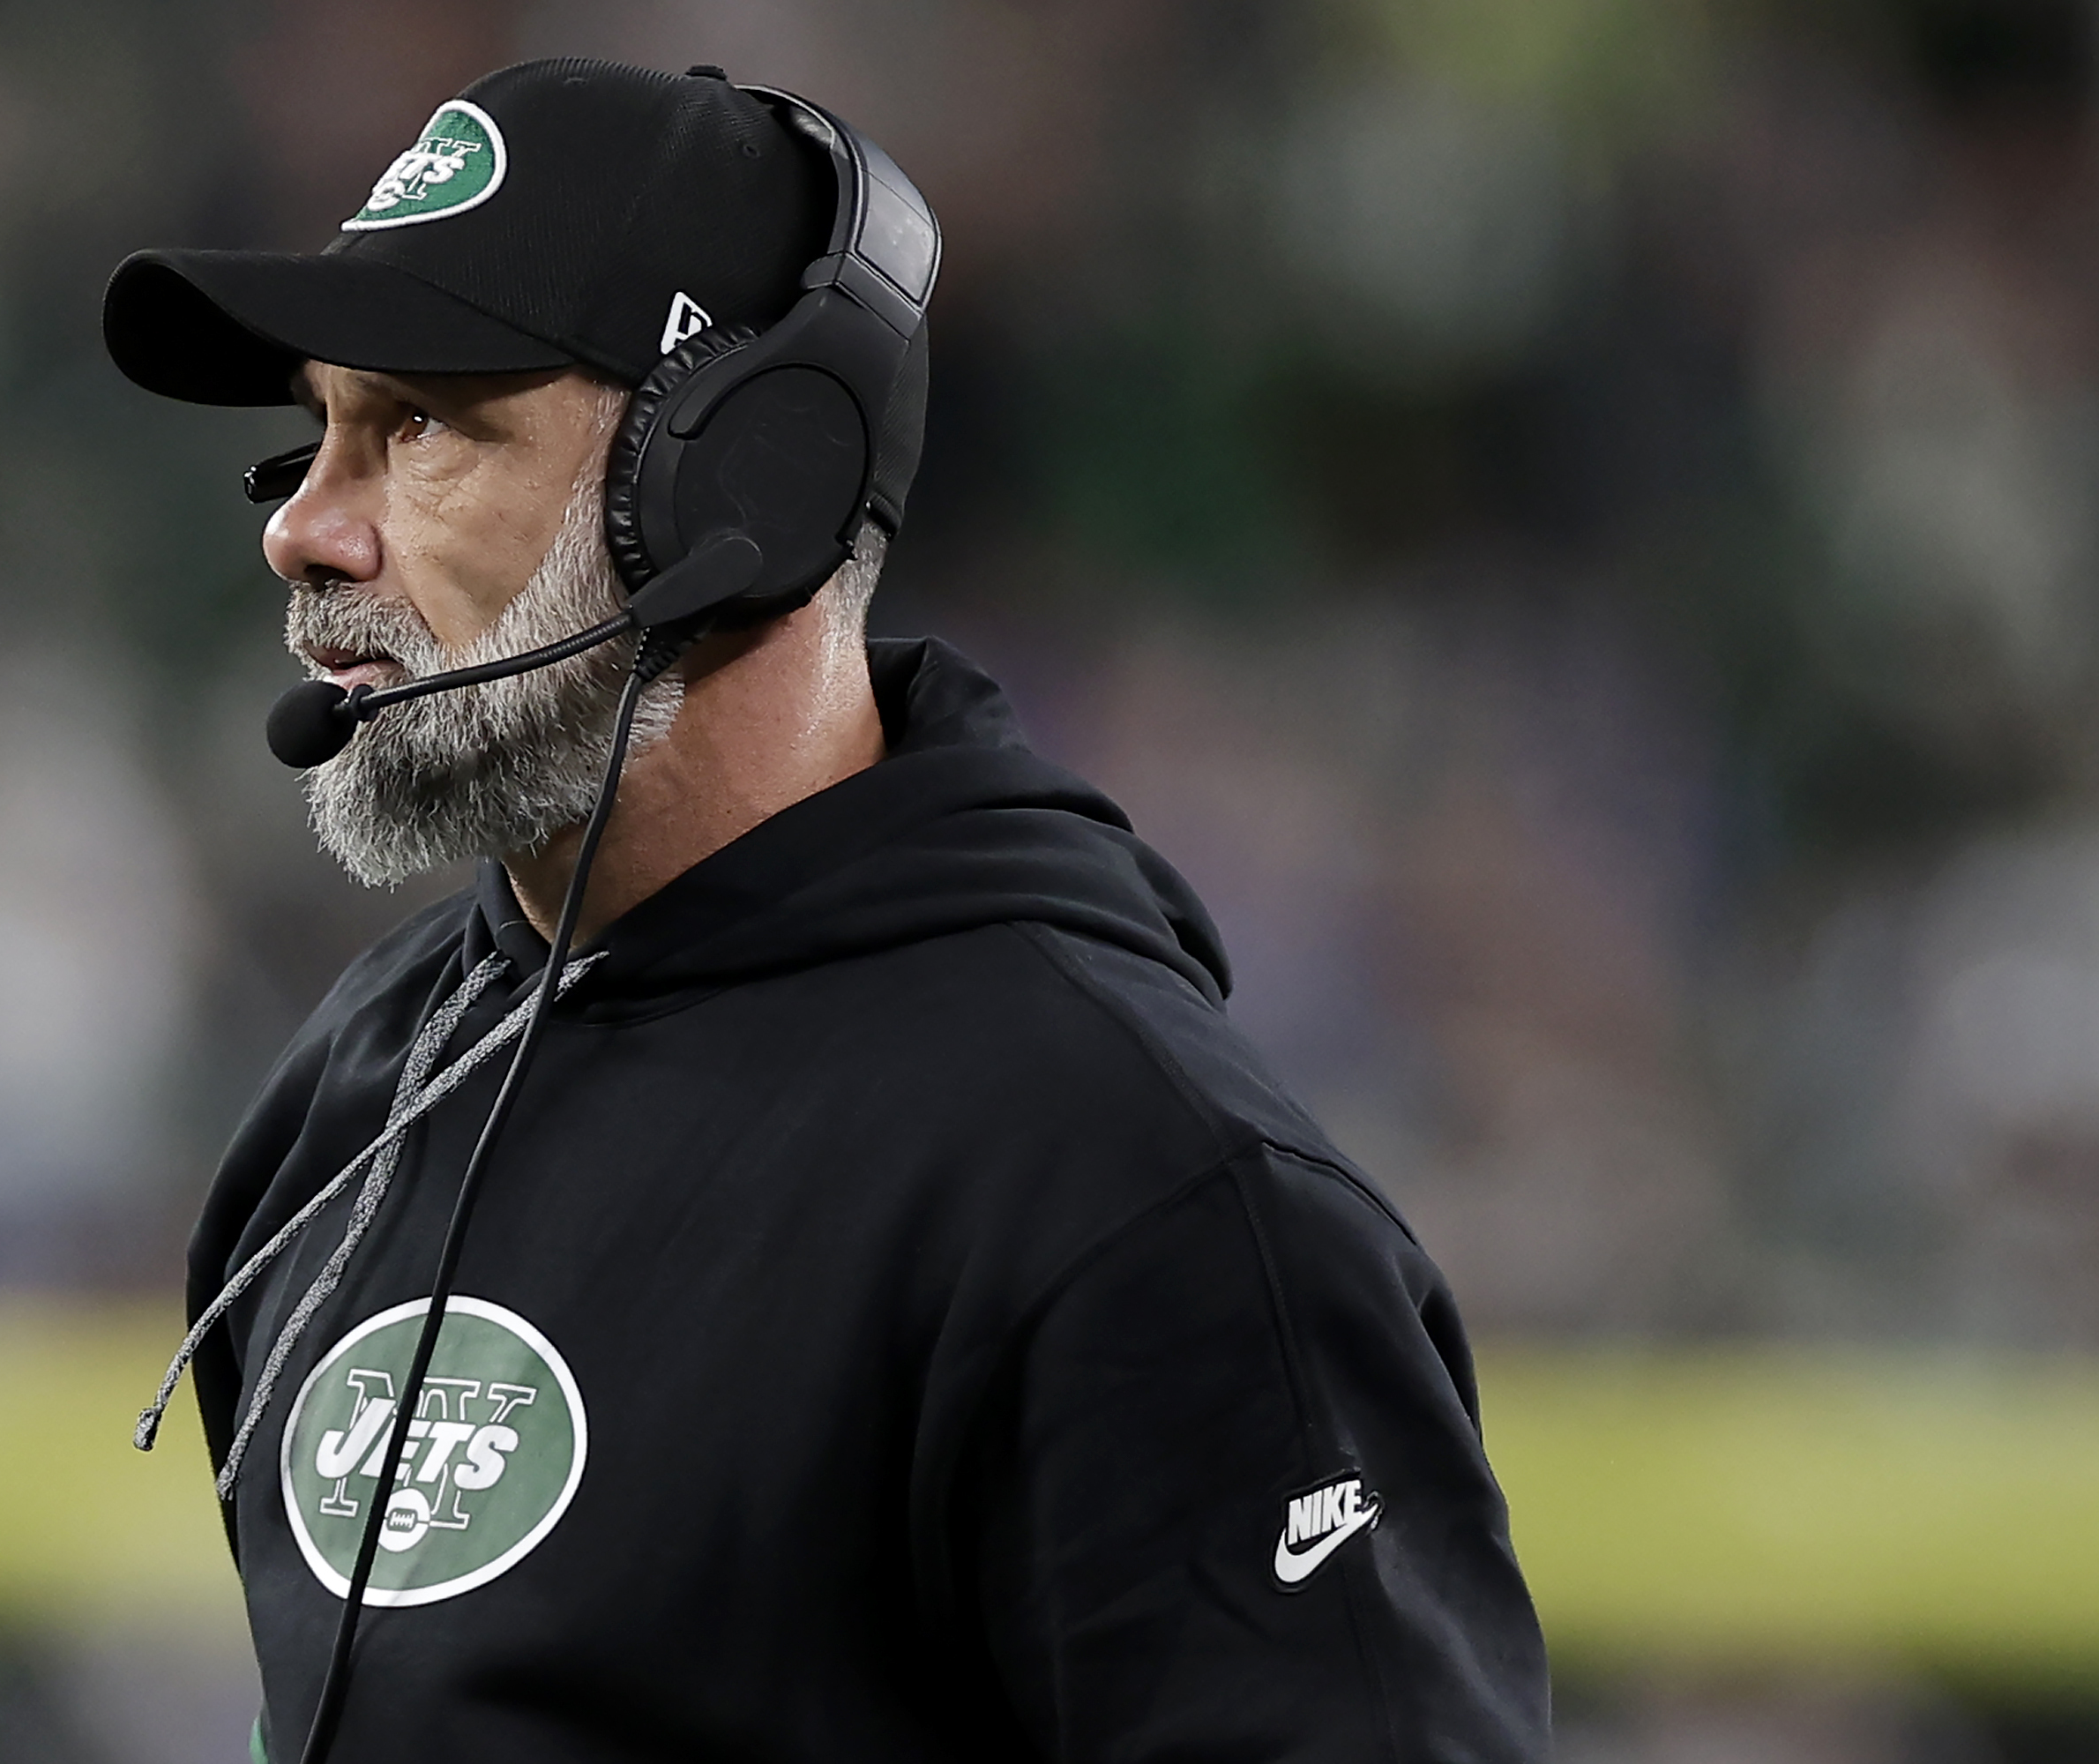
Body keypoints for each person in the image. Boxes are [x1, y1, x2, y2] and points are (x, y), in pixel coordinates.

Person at [102, 56, 1548, 1763]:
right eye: (316, 434)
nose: (306, 532)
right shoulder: (355, 1096)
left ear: (741, 490)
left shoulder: (1132, 1183)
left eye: (423, 426)